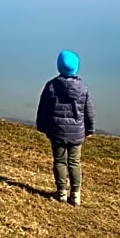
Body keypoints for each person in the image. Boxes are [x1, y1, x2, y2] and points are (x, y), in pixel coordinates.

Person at [36, 50, 95, 206]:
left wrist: (41, 126)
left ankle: (61, 192)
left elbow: (43, 109)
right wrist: (90, 129)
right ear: (76, 68)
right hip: (76, 133)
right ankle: (76, 195)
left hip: (57, 131)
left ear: (59, 67)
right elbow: (89, 111)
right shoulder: (82, 87)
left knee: (60, 162)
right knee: (74, 162)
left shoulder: (51, 86)